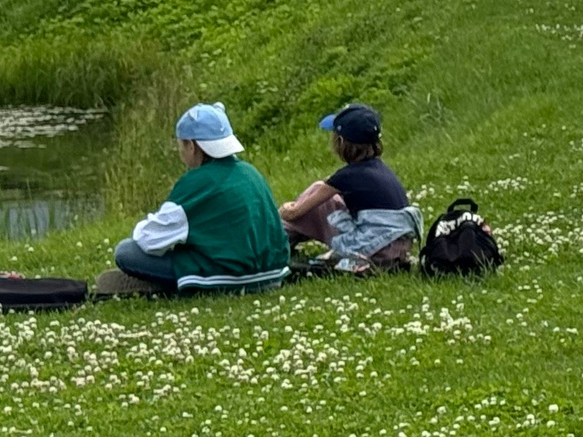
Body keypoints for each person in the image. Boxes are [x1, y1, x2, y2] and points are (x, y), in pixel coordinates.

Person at [93, 103, 291, 296]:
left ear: (192, 146)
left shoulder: (196, 182)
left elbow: (148, 239)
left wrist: (151, 230)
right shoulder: (251, 173)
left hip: (227, 275)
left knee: (126, 251)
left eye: (181, 144)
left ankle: (168, 282)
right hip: (272, 271)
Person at [279, 102, 421, 273]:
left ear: (340, 141)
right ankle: (284, 237)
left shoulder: (346, 177)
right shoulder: (378, 168)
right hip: (398, 247)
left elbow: (295, 213)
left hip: (375, 249)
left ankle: (276, 240)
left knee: (319, 197)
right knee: (327, 195)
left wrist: (287, 209)